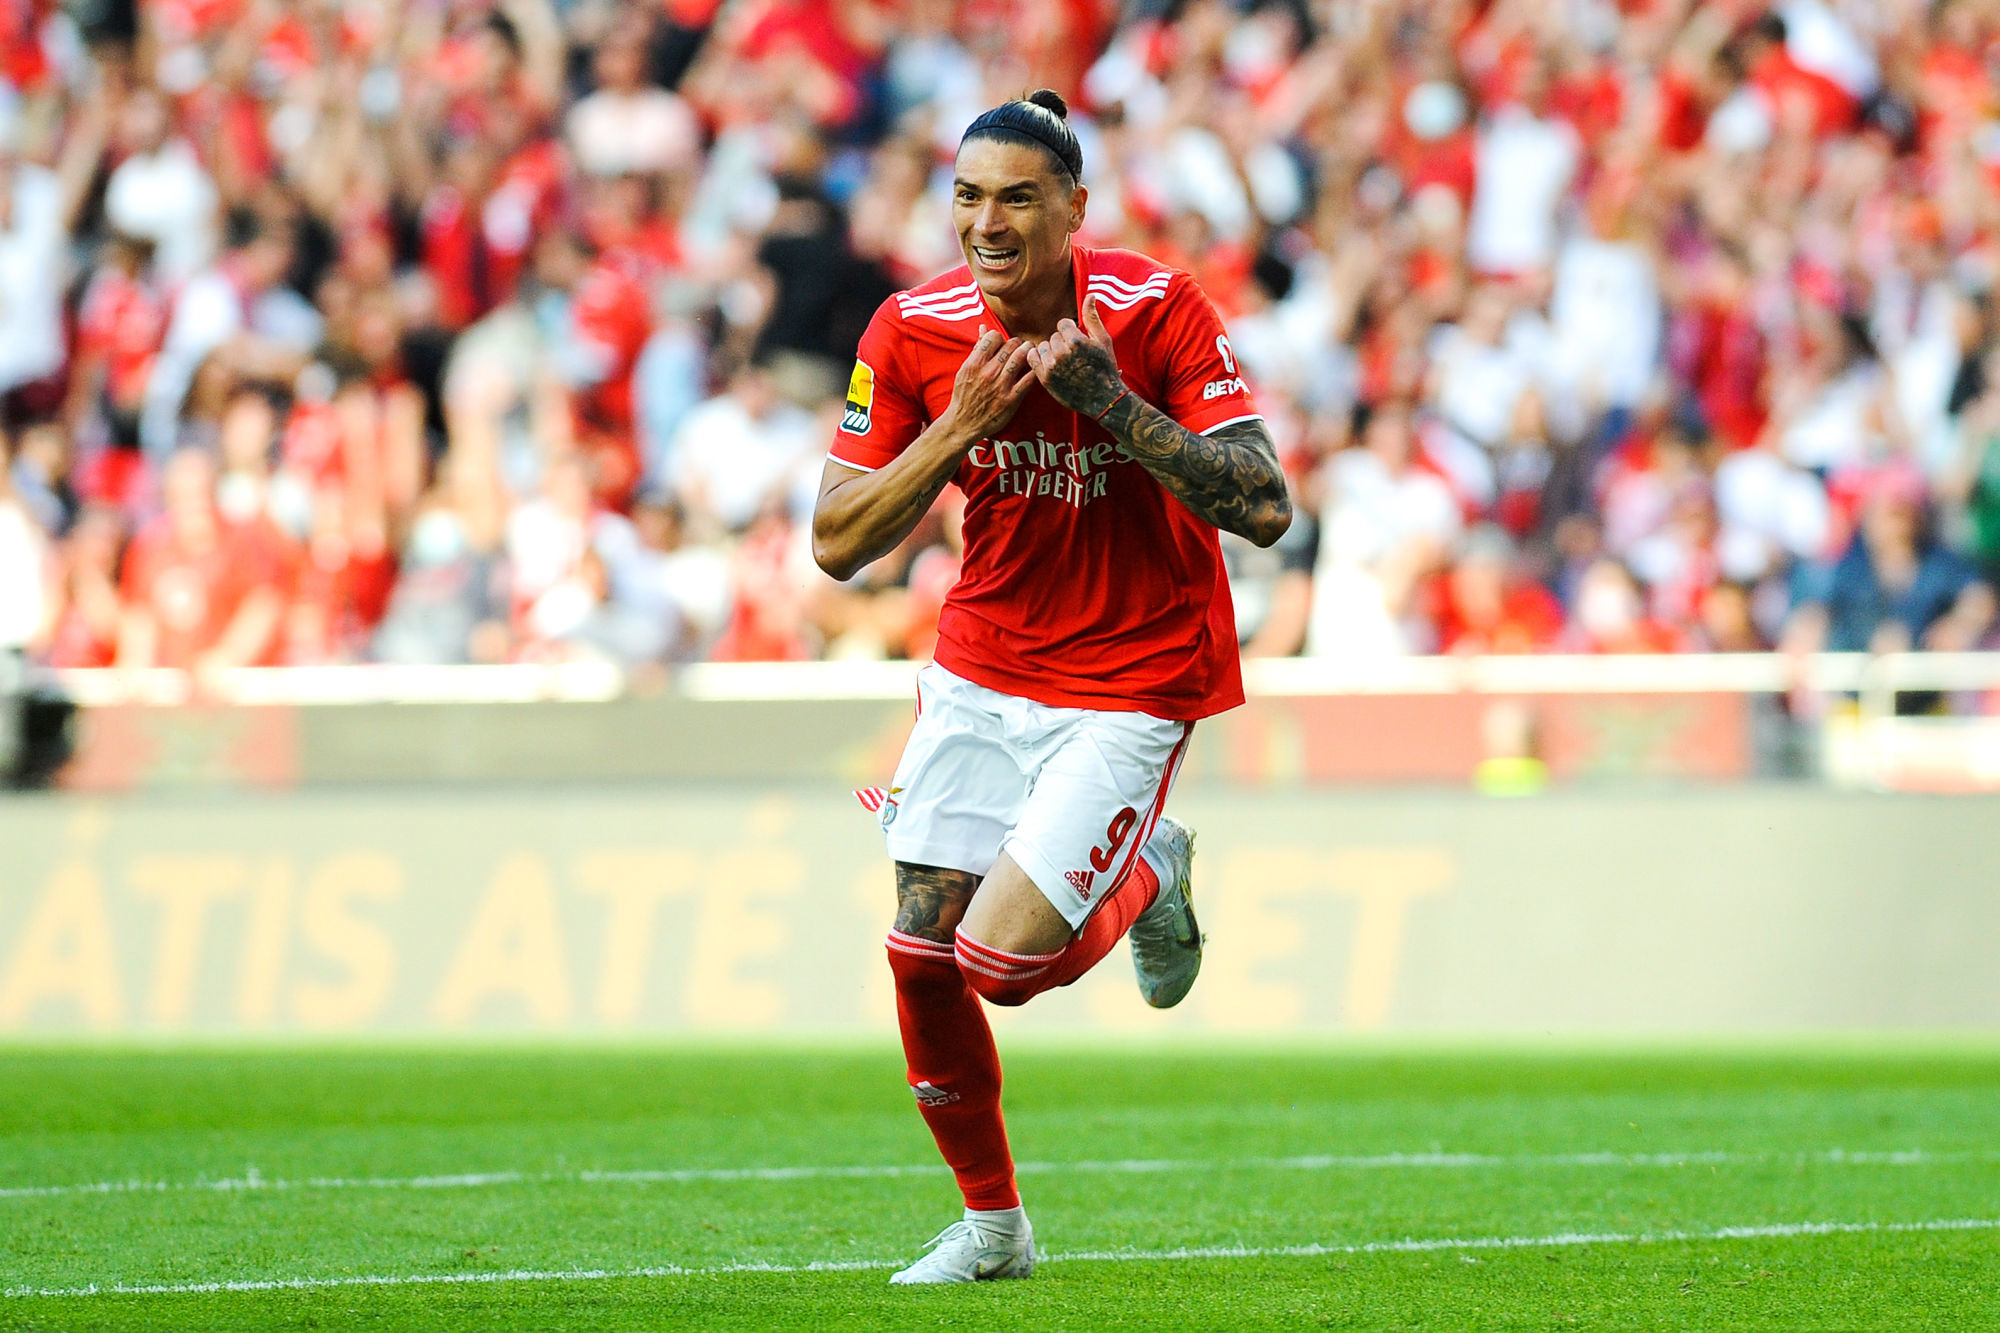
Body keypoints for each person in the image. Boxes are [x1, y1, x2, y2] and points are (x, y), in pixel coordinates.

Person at [810, 90, 1291, 1285]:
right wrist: (954, 428)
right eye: (968, 197)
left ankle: (1152, 868)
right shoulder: (910, 330)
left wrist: (1110, 405)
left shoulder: (1156, 307)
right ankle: (993, 1230)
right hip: (983, 664)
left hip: (1134, 670)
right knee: (919, 951)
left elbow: (1264, 505)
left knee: (1002, 966)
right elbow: (835, 540)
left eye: (1018, 198)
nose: (988, 223)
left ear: (1074, 208)